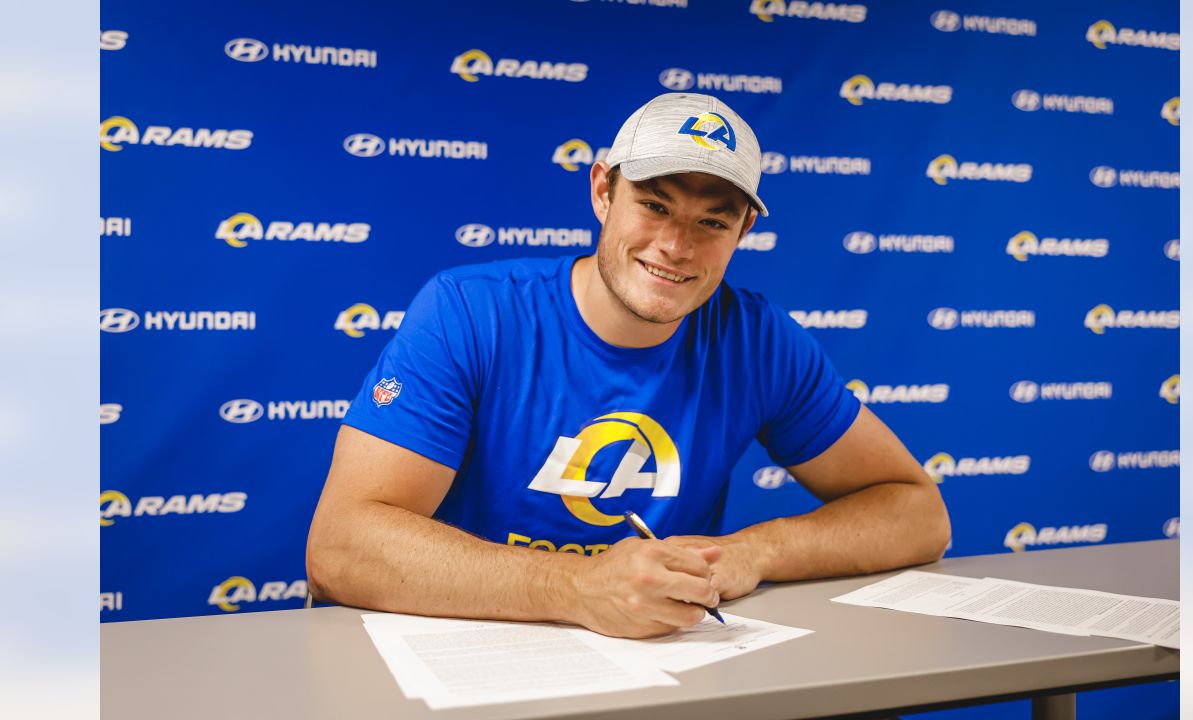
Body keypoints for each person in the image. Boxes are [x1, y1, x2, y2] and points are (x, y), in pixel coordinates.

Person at [306, 93, 950, 639]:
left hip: (653, 668)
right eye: (655, 205)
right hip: (464, 657)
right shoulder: (471, 311)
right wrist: (578, 587)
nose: (676, 245)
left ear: (744, 231)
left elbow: (918, 514)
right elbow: (341, 546)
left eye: (712, 222)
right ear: (602, 190)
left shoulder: (757, 339)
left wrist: (755, 552)